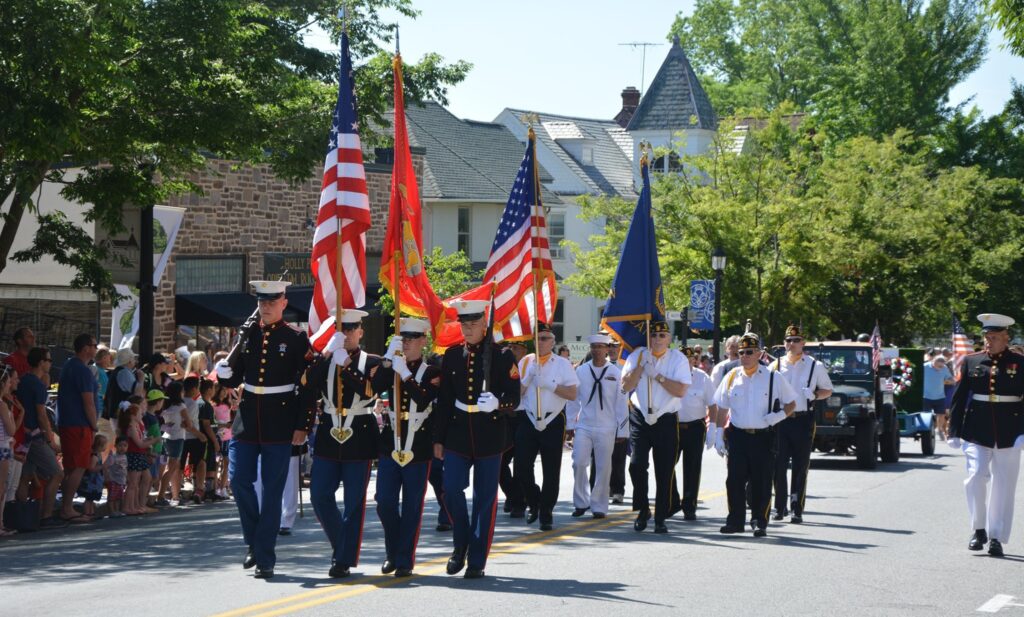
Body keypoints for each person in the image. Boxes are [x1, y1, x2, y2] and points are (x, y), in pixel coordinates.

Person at [216, 280, 312, 580]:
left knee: (272, 490)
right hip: (247, 418)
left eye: (272, 301)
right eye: (262, 301)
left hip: (280, 421)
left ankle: (265, 556)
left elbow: (307, 389)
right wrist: (224, 373)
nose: (266, 306)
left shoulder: (296, 338)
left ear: (283, 302)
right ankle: (255, 540)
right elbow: (234, 381)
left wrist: (302, 426)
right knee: (239, 480)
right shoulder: (247, 334)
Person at [433, 299, 521, 579]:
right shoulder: (452, 355)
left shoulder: (503, 355)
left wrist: (497, 403)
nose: (468, 329)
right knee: (451, 489)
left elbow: (514, 398)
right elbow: (445, 400)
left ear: (485, 324)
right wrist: (438, 438)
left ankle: (477, 559)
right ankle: (461, 545)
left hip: (490, 434)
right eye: (464, 324)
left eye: (473, 324)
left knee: (485, 499)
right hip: (458, 432)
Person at [302, 308, 380, 578]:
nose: (346, 335)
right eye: (342, 329)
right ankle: (342, 546)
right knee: (319, 495)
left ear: (360, 331)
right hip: (328, 433)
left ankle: (343, 559)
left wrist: (345, 366)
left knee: (353, 503)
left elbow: (371, 390)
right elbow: (306, 383)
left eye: (351, 330)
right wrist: (326, 357)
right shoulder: (327, 358)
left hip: (359, 433)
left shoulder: (372, 361)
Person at [947, 313, 1024, 557]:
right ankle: (978, 529)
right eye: (986, 337)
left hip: (1010, 432)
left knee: (1004, 485)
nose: (988, 341)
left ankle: (996, 537)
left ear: (1006, 337)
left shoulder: (1020, 363)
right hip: (976, 430)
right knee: (975, 477)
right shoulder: (972, 361)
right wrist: (954, 431)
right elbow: (959, 399)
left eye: (994, 337)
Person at [370, 317, 441, 577]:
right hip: (391, 441)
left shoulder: (432, 372)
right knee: (384, 502)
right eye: (404, 339)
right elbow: (374, 389)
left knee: (412, 506)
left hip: (418, 444)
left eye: (412, 339)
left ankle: (404, 559)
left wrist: (406, 374)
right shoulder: (392, 366)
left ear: (423, 341)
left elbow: (423, 400)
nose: (408, 343)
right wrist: (388, 361)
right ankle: (393, 550)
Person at [714, 333, 797, 538]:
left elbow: (792, 404)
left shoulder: (772, 377)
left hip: (763, 436)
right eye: (741, 352)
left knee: (761, 481)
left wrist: (776, 417)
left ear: (759, 353)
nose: (744, 356)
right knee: (734, 480)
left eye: (749, 352)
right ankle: (735, 521)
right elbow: (722, 407)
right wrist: (716, 432)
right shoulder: (732, 376)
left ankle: (760, 521)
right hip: (738, 435)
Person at [620, 321, 692, 534]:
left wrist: (657, 376)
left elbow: (680, 390)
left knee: (664, 470)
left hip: (665, 418)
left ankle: (661, 516)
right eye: (654, 335)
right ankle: (643, 510)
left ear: (669, 339)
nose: (657, 339)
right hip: (641, 416)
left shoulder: (678, 359)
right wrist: (642, 368)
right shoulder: (638, 355)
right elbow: (625, 386)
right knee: (636, 465)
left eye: (662, 335)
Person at [515, 322, 579, 531]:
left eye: (545, 338)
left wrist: (550, 385)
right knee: (522, 467)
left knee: (551, 469)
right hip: (529, 418)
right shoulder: (526, 362)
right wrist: (528, 377)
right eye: (537, 338)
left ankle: (546, 511)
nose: (540, 342)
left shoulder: (562, 364)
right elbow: (516, 395)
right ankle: (534, 502)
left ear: (552, 341)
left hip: (553, 419)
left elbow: (572, 394)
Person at [769, 325, 833, 524]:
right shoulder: (776, 365)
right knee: (778, 465)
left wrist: (814, 394)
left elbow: (828, 390)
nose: (791, 344)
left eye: (796, 340)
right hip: (781, 420)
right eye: (788, 340)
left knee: (800, 465)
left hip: (803, 419)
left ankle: (797, 508)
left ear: (803, 343)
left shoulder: (815, 366)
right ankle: (780, 507)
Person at [569, 333, 627, 520]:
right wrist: (570, 424)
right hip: (584, 424)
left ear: (607, 349)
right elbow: (573, 399)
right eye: (594, 347)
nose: (597, 350)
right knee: (578, 462)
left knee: (603, 467)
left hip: (607, 426)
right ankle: (581, 501)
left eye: (601, 347)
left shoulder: (616, 373)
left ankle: (599, 505)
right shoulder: (581, 371)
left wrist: (622, 429)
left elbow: (621, 402)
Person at [56, 333, 100, 523]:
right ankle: (67, 508)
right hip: (79, 425)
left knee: (72, 467)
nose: (96, 348)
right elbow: (88, 402)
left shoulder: (69, 366)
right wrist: (93, 424)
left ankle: (67, 506)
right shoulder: (82, 370)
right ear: (85, 348)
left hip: (69, 423)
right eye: (94, 345)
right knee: (78, 467)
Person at [17, 347, 63, 523]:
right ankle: (47, 515)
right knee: (56, 473)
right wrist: (51, 439)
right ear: (41, 362)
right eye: (49, 360)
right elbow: (42, 414)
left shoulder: (23, 381)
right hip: (35, 436)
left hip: (22, 435)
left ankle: (21, 515)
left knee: (25, 477)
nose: (51, 364)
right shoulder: (37, 385)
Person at [673, 345, 715, 521]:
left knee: (692, 468)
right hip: (672, 426)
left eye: (689, 361)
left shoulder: (702, 378)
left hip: (695, 427)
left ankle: (689, 506)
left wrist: (713, 427)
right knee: (666, 465)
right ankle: (671, 502)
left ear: (694, 361)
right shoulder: (669, 378)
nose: (686, 364)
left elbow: (712, 404)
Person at [119, 402, 157, 515]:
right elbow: (139, 444)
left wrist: (148, 440)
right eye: (139, 413)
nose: (142, 415)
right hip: (134, 456)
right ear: (133, 415)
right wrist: (154, 440)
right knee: (132, 483)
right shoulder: (131, 428)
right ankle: (127, 507)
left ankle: (135, 506)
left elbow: (140, 442)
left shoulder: (136, 426)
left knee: (140, 480)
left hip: (139, 455)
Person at [179, 376, 208, 503]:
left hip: (180, 437)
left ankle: (177, 489)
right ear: (195, 389)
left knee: (179, 464)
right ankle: (199, 488)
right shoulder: (192, 403)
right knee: (201, 462)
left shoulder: (177, 402)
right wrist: (200, 435)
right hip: (193, 437)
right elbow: (188, 424)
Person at [158, 382, 187, 506]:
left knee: (169, 466)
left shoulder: (165, 406)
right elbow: (188, 423)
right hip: (177, 438)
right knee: (171, 468)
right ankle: (161, 496)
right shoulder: (181, 406)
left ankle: (170, 494)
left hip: (167, 437)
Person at [0, 368, 18, 535]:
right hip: (2, 447)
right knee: (1, 487)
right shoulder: (2, 404)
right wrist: (13, 416)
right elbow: (11, 430)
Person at [923, 354, 954, 440]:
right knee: (926, 415)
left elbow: (950, 378)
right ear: (933, 362)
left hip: (940, 395)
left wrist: (951, 381)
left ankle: (939, 430)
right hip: (926, 396)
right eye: (938, 366)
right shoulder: (925, 367)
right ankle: (926, 431)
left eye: (941, 366)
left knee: (941, 414)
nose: (940, 368)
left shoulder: (944, 368)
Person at [78, 434, 106, 518]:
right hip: (91, 481)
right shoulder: (94, 456)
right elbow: (91, 468)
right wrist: (102, 466)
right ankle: (87, 513)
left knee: (91, 498)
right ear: (100, 446)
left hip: (96, 481)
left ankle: (92, 512)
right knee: (89, 498)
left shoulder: (98, 455)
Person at [104, 436, 129, 517]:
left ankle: (117, 510)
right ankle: (111, 511)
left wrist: (127, 478)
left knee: (119, 497)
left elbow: (125, 468)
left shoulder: (125, 457)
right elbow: (106, 466)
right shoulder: (113, 457)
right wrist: (107, 477)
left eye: (125, 446)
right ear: (116, 446)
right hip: (113, 480)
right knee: (112, 497)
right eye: (120, 445)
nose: (122, 448)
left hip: (122, 480)